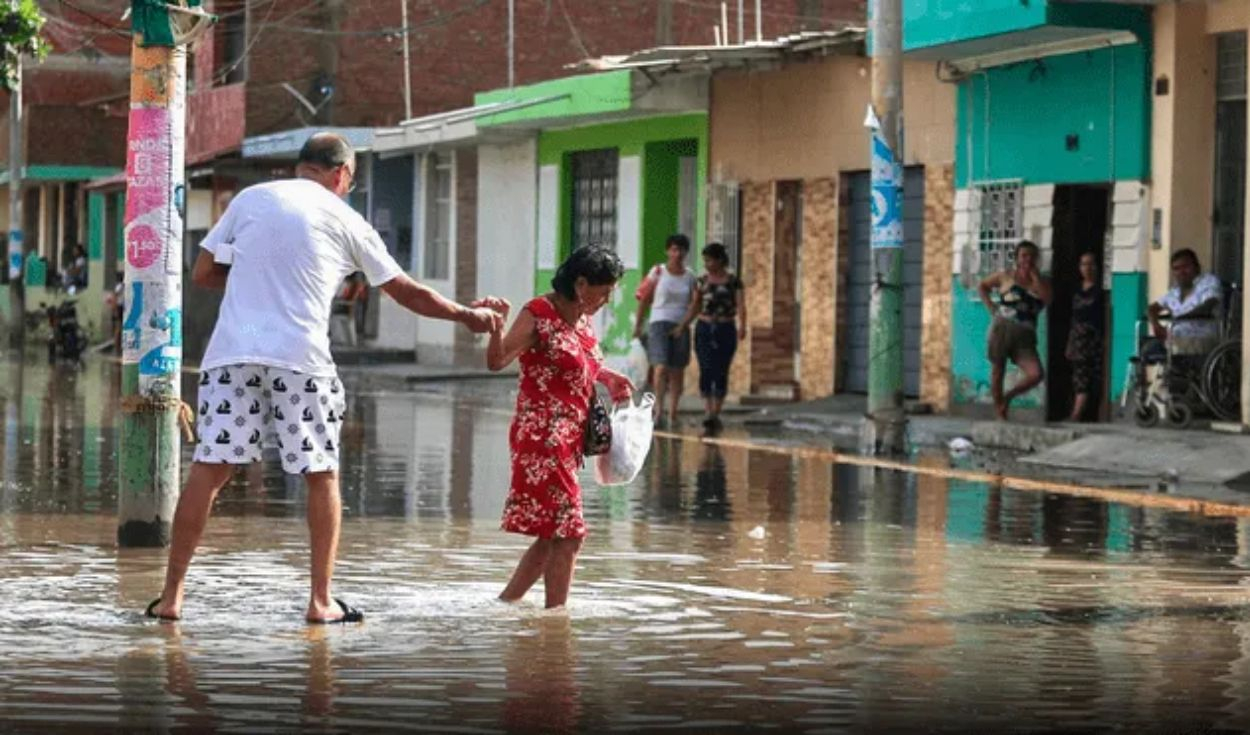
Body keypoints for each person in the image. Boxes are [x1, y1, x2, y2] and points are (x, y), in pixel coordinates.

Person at [145, 132, 504, 624]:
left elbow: (204, 271)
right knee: (321, 474)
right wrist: (466, 315)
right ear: (342, 175)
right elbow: (406, 292)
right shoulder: (345, 218)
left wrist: (258, 275)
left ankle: (171, 598)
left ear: (302, 166)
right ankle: (319, 601)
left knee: (209, 469)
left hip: (233, 353)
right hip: (300, 359)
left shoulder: (251, 199)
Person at [486, 244, 634, 609]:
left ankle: (506, 604)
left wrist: (610, 377)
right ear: (581, 283)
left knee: (552, 535)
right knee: (569, 535)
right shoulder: (538, 313)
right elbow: (498, 360)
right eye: (604, 291)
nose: (606, 300)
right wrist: (496, 328)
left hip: (570, 440)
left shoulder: (581, 317)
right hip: (541, 437)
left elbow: (579, 365)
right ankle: (556, 622)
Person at [979, 240, 1052, 420]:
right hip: (1002, 328)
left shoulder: (1043, 282)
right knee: (998, 369)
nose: (1028, 259)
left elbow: (1047, 299)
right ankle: (1000, 411)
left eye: (1032, 256)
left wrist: (1034, 277)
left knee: (1036, 373)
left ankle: (1008, 397)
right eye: (1024, 255)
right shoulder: (1006, 276)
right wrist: (990, 307)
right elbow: (983, 286)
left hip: (1025, 336)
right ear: (1017, 258)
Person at [632, 234, 696, 428]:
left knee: (677, 370)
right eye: (674, 249)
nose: (677, 254)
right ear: (668, 251)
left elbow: (695, 302)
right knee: (660, 367)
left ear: (686, 252)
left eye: (681, 250)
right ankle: (658, 408)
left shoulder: (690, 276)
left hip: (680, 325)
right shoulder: (658, 272)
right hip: (658, 323)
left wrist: (683, 325)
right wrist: (638, 325)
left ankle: (673, 410)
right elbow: (644, 298)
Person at [682, 242, 745, 430]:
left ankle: (716, 412)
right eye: (705, 261)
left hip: (726, 327)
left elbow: (741, 305)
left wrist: (743, 326)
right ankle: (708, 411)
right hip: (704, 327)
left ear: (719, 260)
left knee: (722, 369)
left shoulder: (734, 282)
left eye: (710, 260)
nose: (707, 264)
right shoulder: (701, 281)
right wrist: (683, 325)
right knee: (706, 368)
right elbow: (695, 305)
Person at [1147, 248, 1223, 352]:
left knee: (1174, 346)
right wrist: (1156, 325)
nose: (1181, 272)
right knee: (1146, 348)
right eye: (1176, 269)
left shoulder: (1208, 282)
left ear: (1197, 267)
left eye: (1186, 267)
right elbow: (1152, 308)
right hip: (1175, 336)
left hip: (1200, 336)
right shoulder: (1174, 292)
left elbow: (1208, 305)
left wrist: (1179, 320)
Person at [1064, 252, 1105, 422]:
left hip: (1094, 339)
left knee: (1091, 377)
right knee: (1079, 376)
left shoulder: (1101, 291)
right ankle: (1076, 414)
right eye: (1084, 264)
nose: (1087, 268)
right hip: (1078, 340)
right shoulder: (1076, 291)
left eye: (1091, 264)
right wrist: (1070, 343)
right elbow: (1074, 318)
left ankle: (1080, 414)